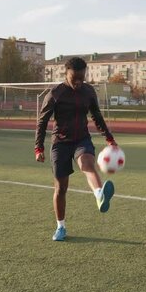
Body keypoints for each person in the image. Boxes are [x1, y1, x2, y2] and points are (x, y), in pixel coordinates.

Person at [35, 57, 118, 241]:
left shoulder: (88, 92)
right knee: (61, 188)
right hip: (60, 143)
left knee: (87, 164)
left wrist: (109, 138)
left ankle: (99, 195)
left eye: (82, 78)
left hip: (81, 139)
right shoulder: (55, 93)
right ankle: (61, 227)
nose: (79, 82)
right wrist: (38, 147)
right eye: (75, 79)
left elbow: (96, 116)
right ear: (67, 74)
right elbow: (42, 122)